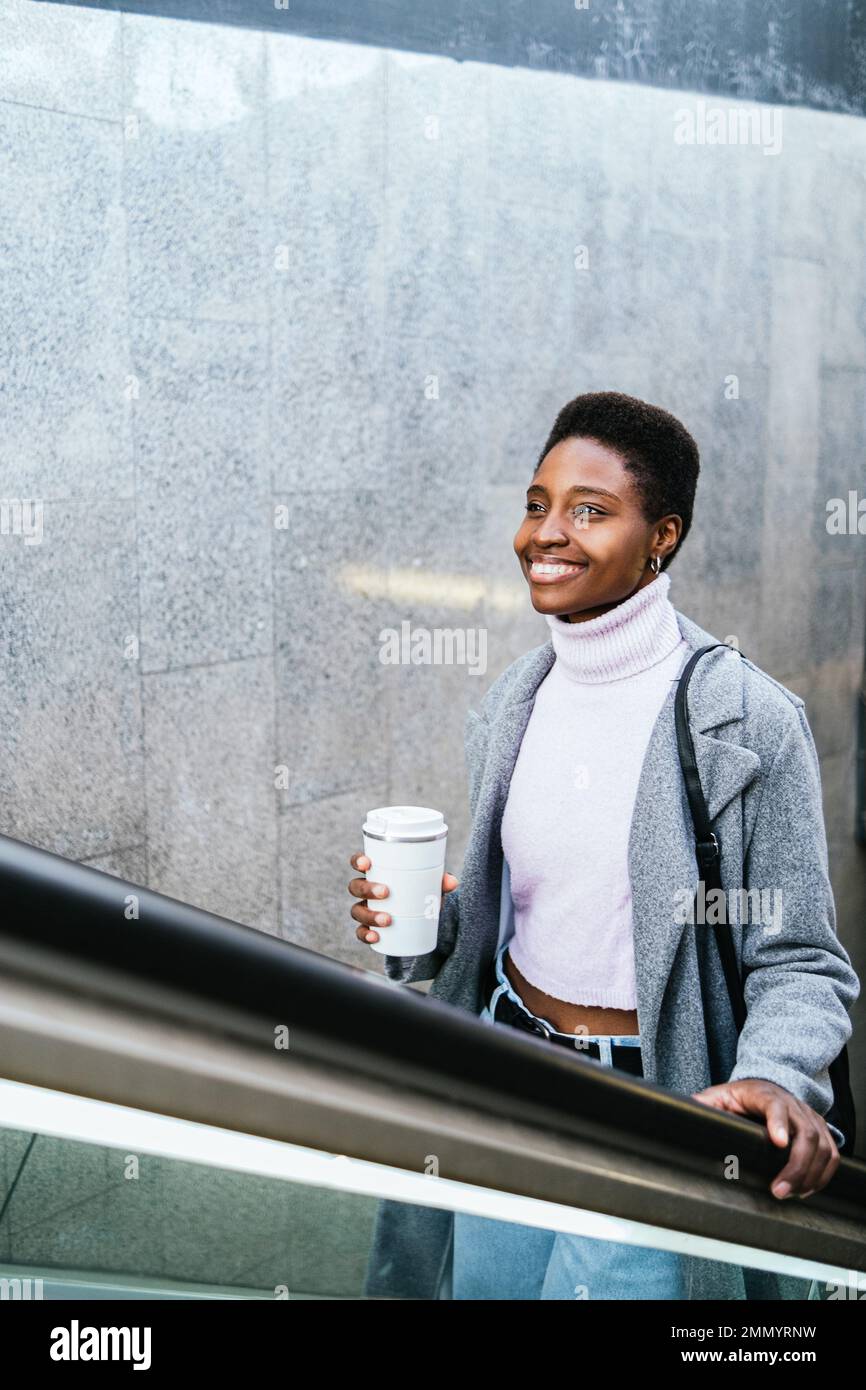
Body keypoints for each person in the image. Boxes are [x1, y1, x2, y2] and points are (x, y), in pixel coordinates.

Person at [348, 391, 860, 1300]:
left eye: (591, 510)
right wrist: (432, 921)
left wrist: (777, 1078)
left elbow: (801, 962)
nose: (547, 533)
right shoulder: (518, 697)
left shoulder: (743, 721)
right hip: (510, 1086)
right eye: (538, 504)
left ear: (661, 535)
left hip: (656, 1112)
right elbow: (527, 915)